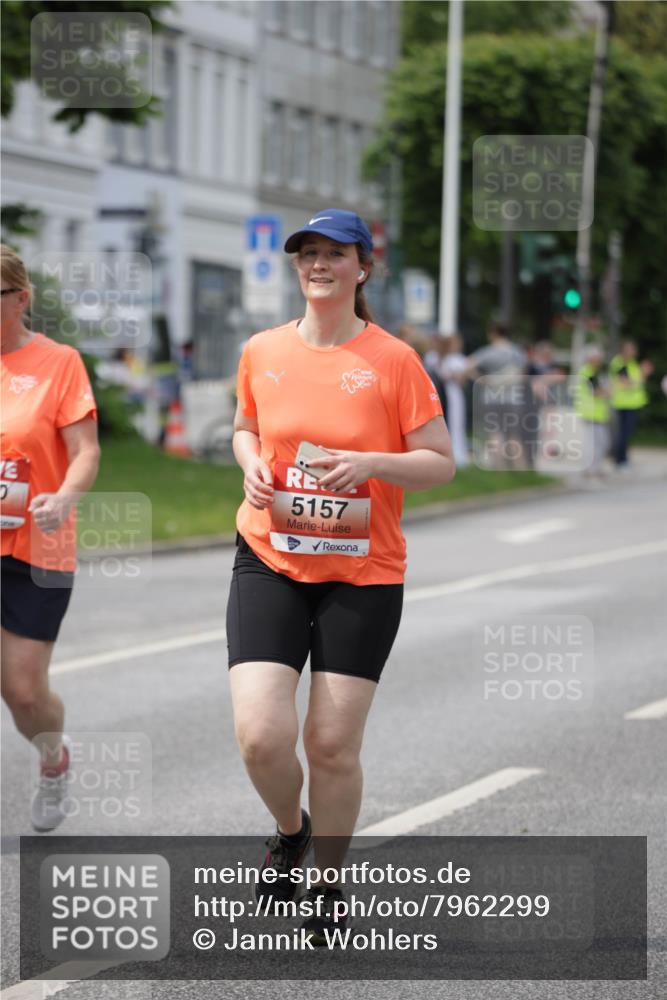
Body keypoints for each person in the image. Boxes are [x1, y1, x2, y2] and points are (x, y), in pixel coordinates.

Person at [225, 209, 454, 944]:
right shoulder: (261, 349)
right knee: (261, 735)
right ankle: (290, 831)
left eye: (333, 254)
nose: (317, 265)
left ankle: (326, 878)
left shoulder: (391, 360)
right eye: (307, 254)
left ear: (362, 268)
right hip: (269, 555)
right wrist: (249, 464)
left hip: (361, 572)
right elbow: (246, 426)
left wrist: (372, 463)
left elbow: (440, 462)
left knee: (329, 744)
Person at [1, 244, 100, 830]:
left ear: (20, 298)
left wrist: (64, 498)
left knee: (22, 692)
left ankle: (52, 760)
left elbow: (85, 452)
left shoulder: (58, 363)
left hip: (38, 547)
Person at [465, 321, 527, 469]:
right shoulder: (517, 352)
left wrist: (482, 379)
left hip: (492, 396)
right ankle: (520, 470)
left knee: (495, 433)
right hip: (513, 397)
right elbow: (523, 374)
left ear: (493, 334)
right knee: (514, 435)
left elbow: (467, 365)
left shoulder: (489, 351)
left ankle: (498, 468)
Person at [609, 340, 653, 470]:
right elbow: (627, 384)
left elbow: (635, 382)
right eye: (631, 349)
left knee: (626, 432)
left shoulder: (632, 364)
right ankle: (620, 460)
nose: (634, 352)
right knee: (624, 432)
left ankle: (623, 458)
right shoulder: (620, 363)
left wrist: (641, 375)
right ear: (624, 350)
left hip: (631, 404)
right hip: (624, 404)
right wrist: (643, 374)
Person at [574, 346, 610, 481]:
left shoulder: (596, 372)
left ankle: (596, 468)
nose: (599, 361)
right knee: (592, 443)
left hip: (598, 413)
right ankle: (589, 469)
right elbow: (597, 392)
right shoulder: (588, 372)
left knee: (602, 442)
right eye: (597, 359)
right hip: (590, 413)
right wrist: (608, 391)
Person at [438, 334, 469, 467]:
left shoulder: (458, 359)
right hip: (447, 394)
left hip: (456, 394)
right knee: (451, 421)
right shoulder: (445, 359)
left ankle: (459, 453)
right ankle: (453, 453)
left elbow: (462, 379)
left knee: (458, 422)